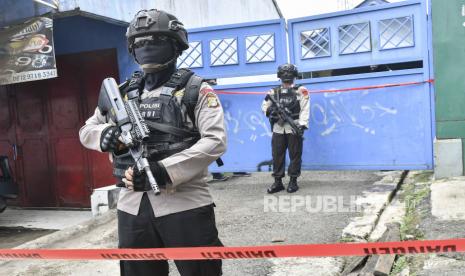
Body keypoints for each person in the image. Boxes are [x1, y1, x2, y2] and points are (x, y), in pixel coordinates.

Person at [79, 9, 226, 276]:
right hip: (131, 205)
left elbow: (215, 141)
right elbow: (87, 129)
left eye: (156, 40)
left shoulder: (195, 90)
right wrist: (104, 136)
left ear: (175, 44)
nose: (146, 47)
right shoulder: (120, 94)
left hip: (185, 203)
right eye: (140, 42)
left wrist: (165, 171)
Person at [261, 64, 310, 194]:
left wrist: (302, 124)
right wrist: (272, 111)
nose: (287, 77)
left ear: (294, 76)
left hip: (294, 126)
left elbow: (305, 108)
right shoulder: (273, 92)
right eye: (285, 74)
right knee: (277, 155)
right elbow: (264, 106)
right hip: (278, 128)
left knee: (295, 155)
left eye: (289, 74)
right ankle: (278, 182)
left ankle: (293, 181)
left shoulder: (301, 90)